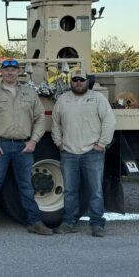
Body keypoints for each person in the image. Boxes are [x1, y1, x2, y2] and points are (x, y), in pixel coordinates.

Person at [0, 59, 52, 235]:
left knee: (26, 185)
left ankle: (34, 222)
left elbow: (40, 117)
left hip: (22, 147)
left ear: (19, 72)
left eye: (13, 70)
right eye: (6, 70)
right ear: (1, 72)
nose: (10, 73)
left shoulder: (29, 93)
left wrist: (33, 140)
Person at [51, 69, 116, 237]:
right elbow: (55, 124)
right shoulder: (63, 100)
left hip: (92, 153)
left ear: (87, 81)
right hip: (69, 153)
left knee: (95, 191)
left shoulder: (97, 98)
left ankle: (97, 224)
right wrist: (59, 143)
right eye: (75, 80)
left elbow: (109, 121)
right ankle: (69, 222)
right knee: (70, 191)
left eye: (81, 79)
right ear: (70, 82)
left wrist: (102, 144)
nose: (78, 82)